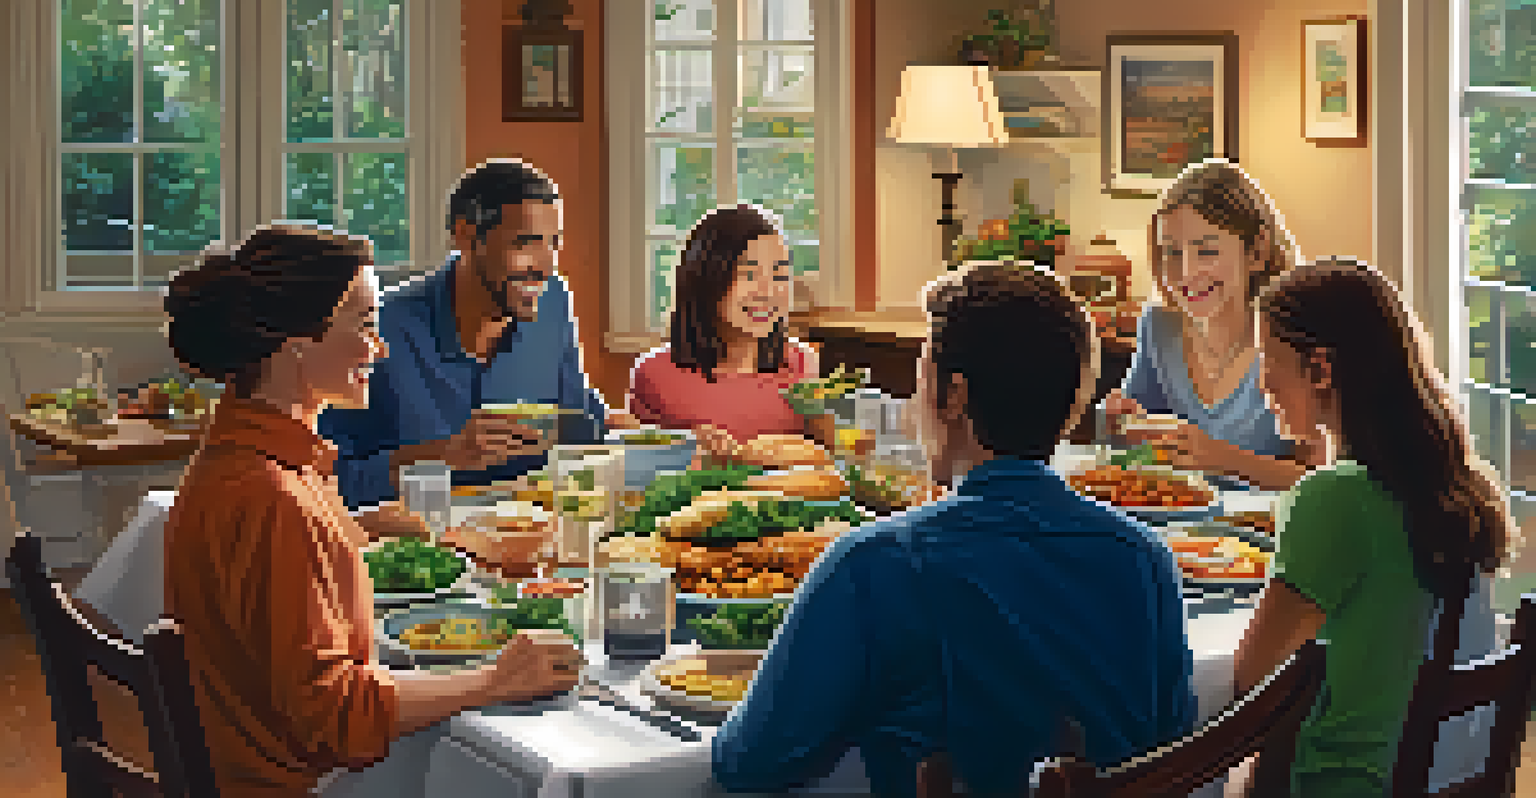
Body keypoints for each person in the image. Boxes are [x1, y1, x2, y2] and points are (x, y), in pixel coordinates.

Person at [711, 263, 1195, 797]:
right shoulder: (1147, 560)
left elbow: (750, 761)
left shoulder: (876, 564)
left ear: (953, 396)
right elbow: (1171, 756)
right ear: (1073, 402)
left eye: (918, 381)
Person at [162, 224, 582, 796]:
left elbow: (274, 591)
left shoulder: (246, 459)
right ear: (296, 344)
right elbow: (335, 717)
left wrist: (358, 528)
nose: (378, 348)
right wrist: (498, 678)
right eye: (363, 326)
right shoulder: (274, 499)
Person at [1233, 258, 1512, 796]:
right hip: (1436, 779)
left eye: (1268, 358)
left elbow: (1253, 680)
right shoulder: (1456, 483)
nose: (1261, 380)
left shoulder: (1338, 497)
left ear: (1321, 370)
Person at [319, 159, 639, 510]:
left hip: (536, 542)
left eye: (553, 245)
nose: (545, 267)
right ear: (466, 236)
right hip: (423, 549)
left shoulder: (553, 302)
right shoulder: (379, 330)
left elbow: (574, 411)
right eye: (525, 244)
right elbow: (328, 479)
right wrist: (443, 455)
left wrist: (624, 431)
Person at [1101, 159, 1323, 490]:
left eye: (1206, 251)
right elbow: (1137, 452)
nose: (1186, 272)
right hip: (1180, 534)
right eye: (1171, 253)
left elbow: (1326, 482)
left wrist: (1224, 459)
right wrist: (1117, 423)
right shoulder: (1158, 326)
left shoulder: (1298, 335)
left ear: (1257, 252)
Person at [626, 204, 830, 461]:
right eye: (749, 274)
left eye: (780, 274)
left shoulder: (803, 364)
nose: (767, 292)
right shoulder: (654, 375)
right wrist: (687, 446)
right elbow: (638, 465)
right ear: (706, 279)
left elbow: (826, 463)